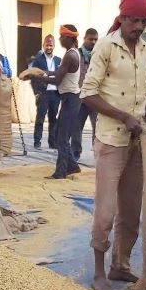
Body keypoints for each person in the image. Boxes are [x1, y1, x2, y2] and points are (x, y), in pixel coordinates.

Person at [80, 0, 146, 290]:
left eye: (144, 21)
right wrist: (123, 116)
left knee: (131, 210)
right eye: (134, 20)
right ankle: (99, 273)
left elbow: (141, 95)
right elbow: (87, 93)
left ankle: (120, 265)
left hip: (137, 141)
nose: (139, 26)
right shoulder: (105, 47)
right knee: (106, 210)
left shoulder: (145, 51)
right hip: (112, 140)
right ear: (123, 18)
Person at [38, 25, 83, 179]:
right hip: (70, 98)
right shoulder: (72, 53)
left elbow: (57, 80)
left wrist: (39, 77)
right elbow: (58, 72)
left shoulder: (70, 56)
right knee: (59, 133)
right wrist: (43, 72)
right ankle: (72, 166)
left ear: (68, 38)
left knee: (62, 137)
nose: (60, 39)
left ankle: (61, 171)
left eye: (62, 36)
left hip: (71, 99)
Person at [30, 35, 61, 149]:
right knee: (40, 118)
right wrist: (36, 92)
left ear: (54, 46)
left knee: (53, 119)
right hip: (43, 93)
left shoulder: (59, 60)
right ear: (43, 46)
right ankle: (37, 141)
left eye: (51, 45)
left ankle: (52, 142)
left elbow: (61, 76)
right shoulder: (38, 60)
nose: (49, 47)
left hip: (55, 94)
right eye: (47, 45)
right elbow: (33, 77)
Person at [76, 27, 99, 157]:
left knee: (98, 129)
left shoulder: (99, 55)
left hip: (95, 98)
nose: (93, 42)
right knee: (77, 128)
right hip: (80, 98)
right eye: (91, 39)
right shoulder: (77, 54)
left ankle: (97, 154)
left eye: (96, 39)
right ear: (85, 39)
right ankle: (75, 155)